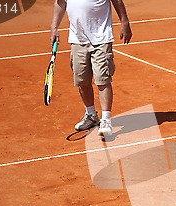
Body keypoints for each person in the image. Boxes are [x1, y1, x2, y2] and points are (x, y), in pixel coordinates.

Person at [50, 0, 132, 136]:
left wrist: (125, 22)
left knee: (103, 79)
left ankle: (106, 119)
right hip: (77, 39)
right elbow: (60, 3)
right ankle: (91, 115)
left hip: (101, 38)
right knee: (82, 80)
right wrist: (54, 27)